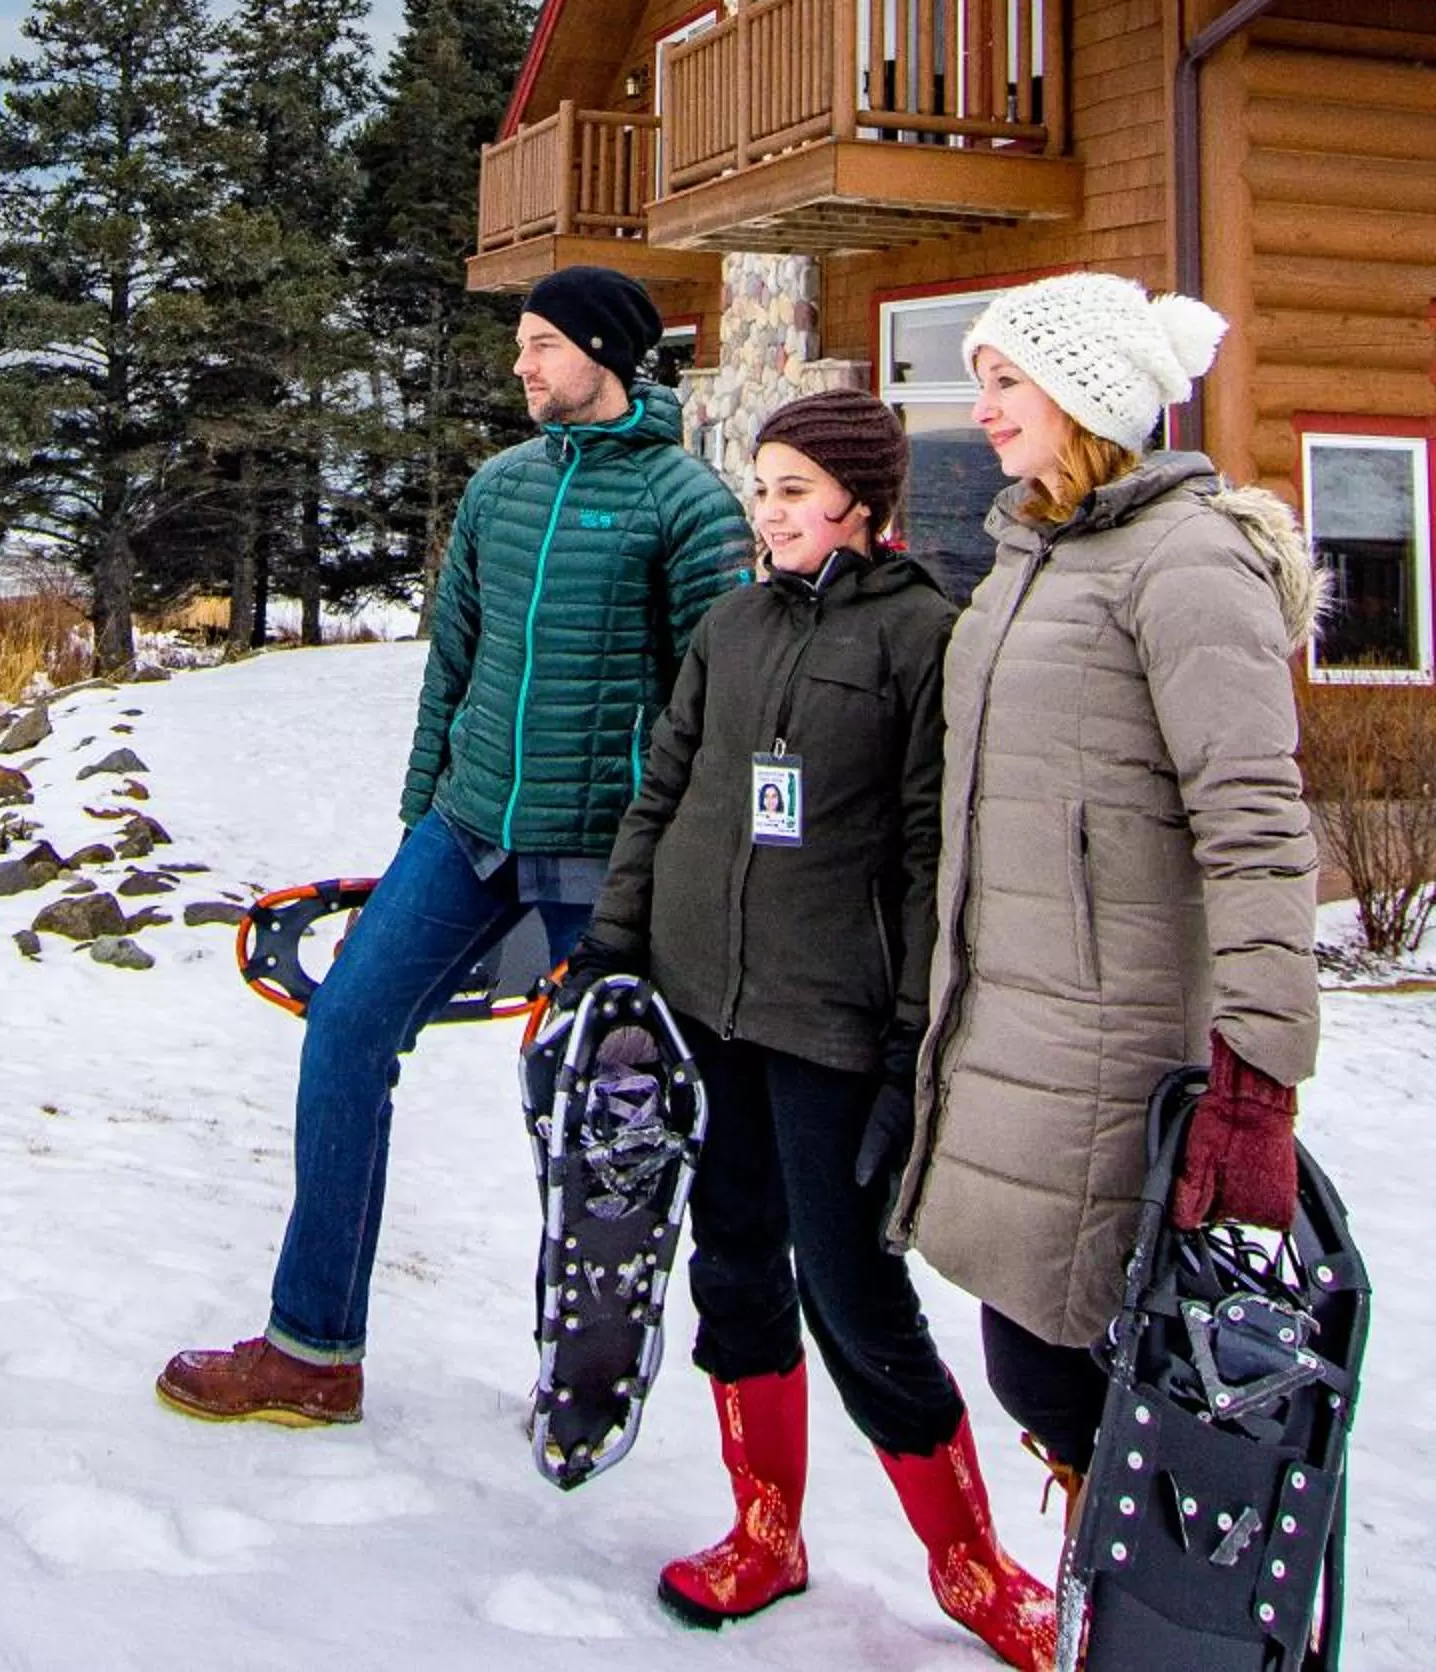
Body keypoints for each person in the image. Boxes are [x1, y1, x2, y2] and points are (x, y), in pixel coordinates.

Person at [156, 263, 755, 1428]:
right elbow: (455, 660)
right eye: (519, 345)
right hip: (467, 831)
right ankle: (312, 1349)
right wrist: (419, 812)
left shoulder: (688, 506)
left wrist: (667, 872)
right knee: (344, 1029)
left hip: (604, 856)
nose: (521, 367)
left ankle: (588, 1378)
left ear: (600, 351)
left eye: (539, 345)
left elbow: (708, 713)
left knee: (600, 1117)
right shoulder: (498, 488)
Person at [576, 390, 1058, 1668]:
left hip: (832, 1021)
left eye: (792, 487)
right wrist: (613, 950)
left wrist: (912, 1039)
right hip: (700, 998)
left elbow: (924, 854)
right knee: (730, 1264)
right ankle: (764, 1529)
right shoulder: (730, 627)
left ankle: (971, 1566)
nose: (767, 507)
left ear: (861, 500)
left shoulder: (921, 638)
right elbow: (663, 783)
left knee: (848, 1287)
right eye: (761, 484)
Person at [892, 273, 1320, 1496]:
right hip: (1012, 1017)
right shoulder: (1035, 552)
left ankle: (1146, 1613)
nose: (980, 409)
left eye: (1004, 381)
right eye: (978, 381)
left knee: (1085, 1375)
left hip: (1112, 1040)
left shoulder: (1182, 561)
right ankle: (1104, 1595)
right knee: (1039, 1366)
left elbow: (1251, 822)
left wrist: (1256, 1077)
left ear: (1083, 395)